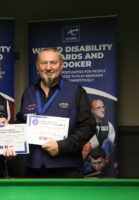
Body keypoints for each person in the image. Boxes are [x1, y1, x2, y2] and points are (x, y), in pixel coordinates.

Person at [15, 48, 96, 178]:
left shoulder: (76, 91)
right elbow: (21, 123)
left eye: (53, 62)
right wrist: (6, 136)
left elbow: (88, 127)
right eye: (44, 63)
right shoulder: (28, 93)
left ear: (61, 65)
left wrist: (62, 146)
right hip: (34, 168)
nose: (48, 67)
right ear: (37, 66)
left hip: (67, 168)